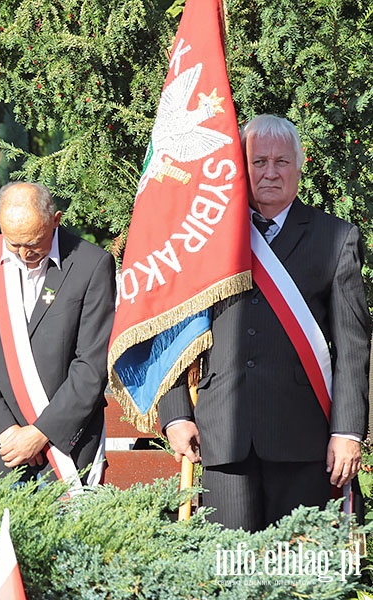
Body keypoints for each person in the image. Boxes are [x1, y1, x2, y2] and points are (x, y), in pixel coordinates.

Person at [159, 114, 371, 531]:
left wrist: (348, 431)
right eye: (258, 162)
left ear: (300, 163)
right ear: (241, 166)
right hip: (220, 437)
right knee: (231, 570)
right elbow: (174, 327)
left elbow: (352, 346)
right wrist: (175, 414)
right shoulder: (204, 235)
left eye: (281, 162)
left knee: (298, 572)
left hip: (303, 438)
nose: (270, 173)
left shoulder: (336, 237)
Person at [0, 182, 115, 485]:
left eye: (33, 243)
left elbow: (92, 364)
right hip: (2, 448)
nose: (22, 253)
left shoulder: (91, 265)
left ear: (55, 220)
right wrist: (6, 430)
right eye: (13, 243)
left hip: (67, 447)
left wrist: (41, 433)